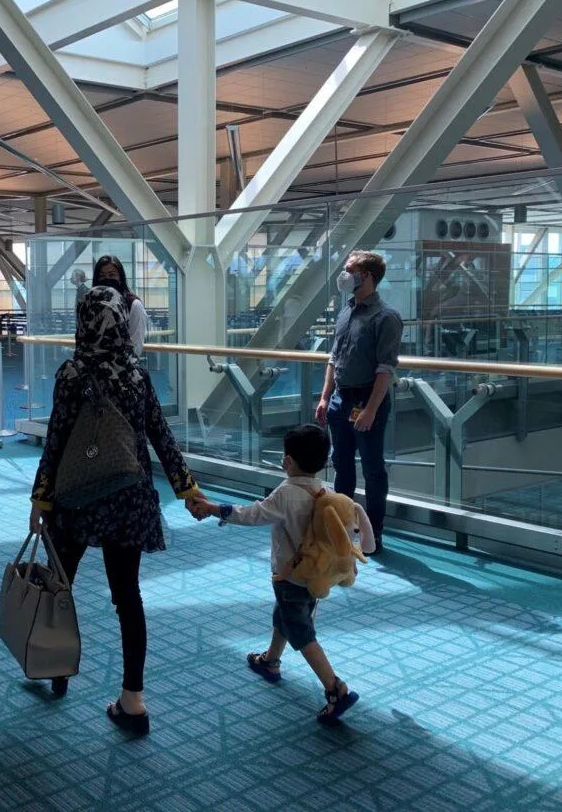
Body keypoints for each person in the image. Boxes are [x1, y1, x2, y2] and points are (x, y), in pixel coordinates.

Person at [29, 287, 201, 736]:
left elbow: (55, 442)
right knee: (128, 597)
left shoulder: (72, 374)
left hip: (76, 499)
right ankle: (133, 700)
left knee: (60, 584)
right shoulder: (137, 375)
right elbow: (161, 435)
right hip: (129, 498)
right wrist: (187, 489)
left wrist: (40, 500)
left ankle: (56, 668)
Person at [188, 424, 375, 725]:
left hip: (290, 576)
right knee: (286, 617)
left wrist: (213, 509)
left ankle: (335, 688)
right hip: (314, 575)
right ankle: (270, 661)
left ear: (287, 461)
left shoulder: (286, 493)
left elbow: (253, 514)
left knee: (301, 631)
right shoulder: (326, 492)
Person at [314, 251, 403, 552]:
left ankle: (373, 534)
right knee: (341, 464)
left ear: (366, 275)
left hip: (366, 400)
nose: (344, 274)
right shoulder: (346, 312)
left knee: (372, 467)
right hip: (341, 399)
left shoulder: (386, 317)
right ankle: (343, 527)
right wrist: (325, 397)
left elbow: (385, 369)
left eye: (350, 269)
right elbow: (334, 358)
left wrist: (371, 410)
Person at [92, 255, 148, 355]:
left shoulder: (133, 305)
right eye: (102, 276)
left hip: (121, 363)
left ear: (121, 278)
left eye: (112, 275)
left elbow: (135, 347)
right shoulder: (91, 304)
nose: (107, 279)